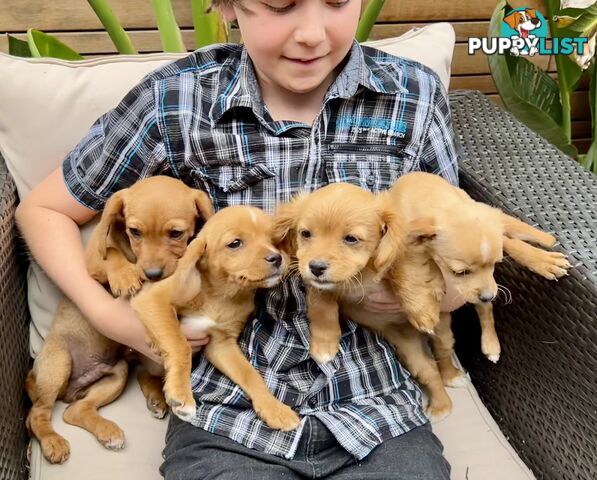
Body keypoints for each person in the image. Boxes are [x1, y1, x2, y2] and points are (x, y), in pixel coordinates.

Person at [15, 0, 463, 477]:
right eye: (279, 4)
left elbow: (457, 242)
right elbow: (42, 211)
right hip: (224, 413)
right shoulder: (176, 99)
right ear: (228, 5)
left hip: (377, 404)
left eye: (336, 1)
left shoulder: (412, 95)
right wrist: (112, 317)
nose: (311, 33)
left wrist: (435, 294)